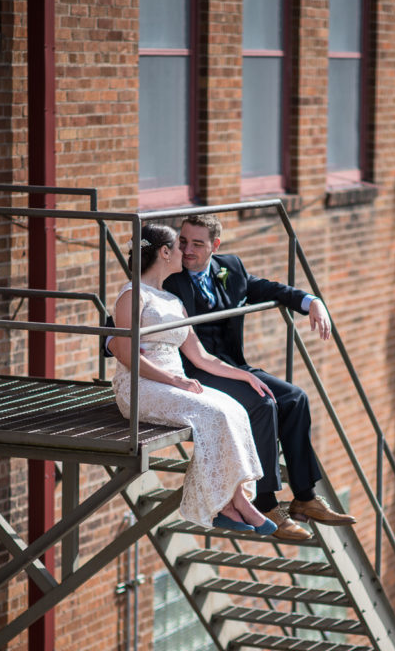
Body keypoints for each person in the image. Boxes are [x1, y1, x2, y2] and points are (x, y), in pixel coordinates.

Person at [160, 214, 356, 542]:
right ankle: (266, 504)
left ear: (215, 246)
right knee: (262, 404)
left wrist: (312, 303)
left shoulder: (230, 268)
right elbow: (130, 311)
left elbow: (268, 289)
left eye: (197, 244)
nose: (187, 250)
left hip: (232, 365)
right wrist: (112, 342)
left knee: (294, 398)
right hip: (193, 371)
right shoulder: (169, 274)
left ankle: (305, 498)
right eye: (182, 241)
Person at [110, 224, 277, 535]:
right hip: (141, 387)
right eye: (178, 246)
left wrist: (244, 375)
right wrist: (175, 381)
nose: (184, 252)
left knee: (234, 408)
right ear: (164, 252)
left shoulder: (172, 300)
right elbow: (126, 354)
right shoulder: (133, 294)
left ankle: (232, 501)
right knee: (212, 413)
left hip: (173, 384)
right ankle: (223, 504)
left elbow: (200, 356)